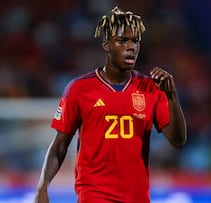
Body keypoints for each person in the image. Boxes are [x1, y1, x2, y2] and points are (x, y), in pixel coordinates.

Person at [35, 6, 187, 203]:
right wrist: (42, 187)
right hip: (94, 196)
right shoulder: (79, 89)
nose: (131, 47)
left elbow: (178, 140)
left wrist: (172, 95)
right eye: (122, 41)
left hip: (137, 198)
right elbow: (60, 145)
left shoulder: (151, 89)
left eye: (135, 41)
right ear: (106, 44)